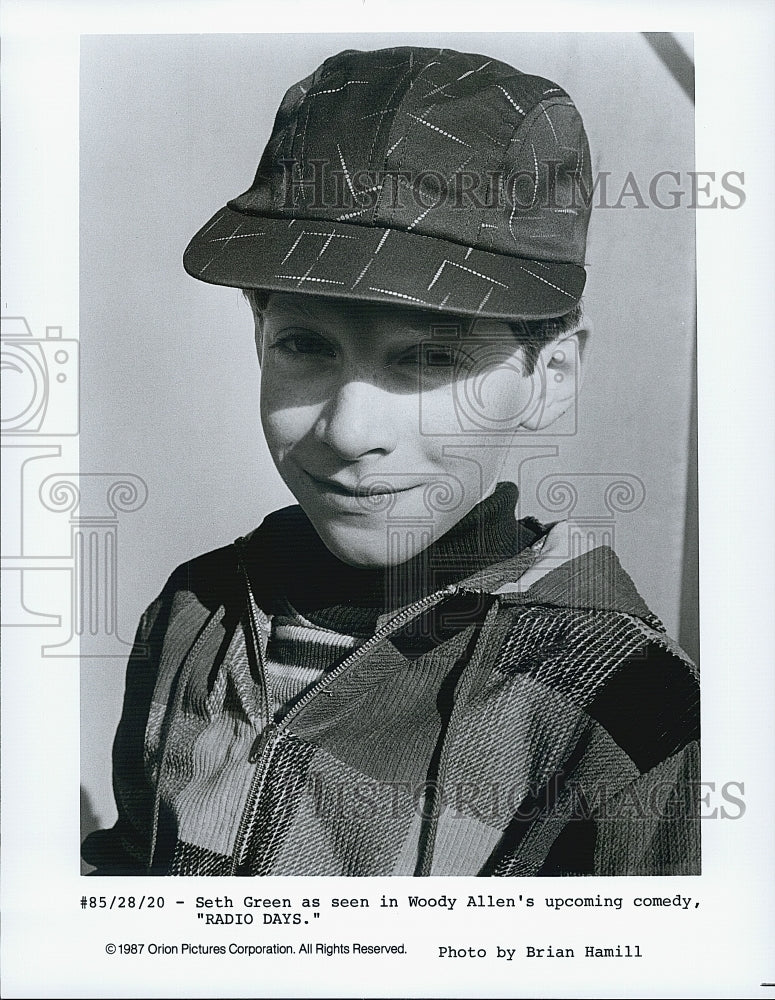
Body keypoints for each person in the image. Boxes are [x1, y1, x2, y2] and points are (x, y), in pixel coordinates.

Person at [82, 45, 699, 877]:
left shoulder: (629, 707)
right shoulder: (194, 614)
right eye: (304, 345)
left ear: (549, 378)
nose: (347, 429)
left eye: (431, 359)